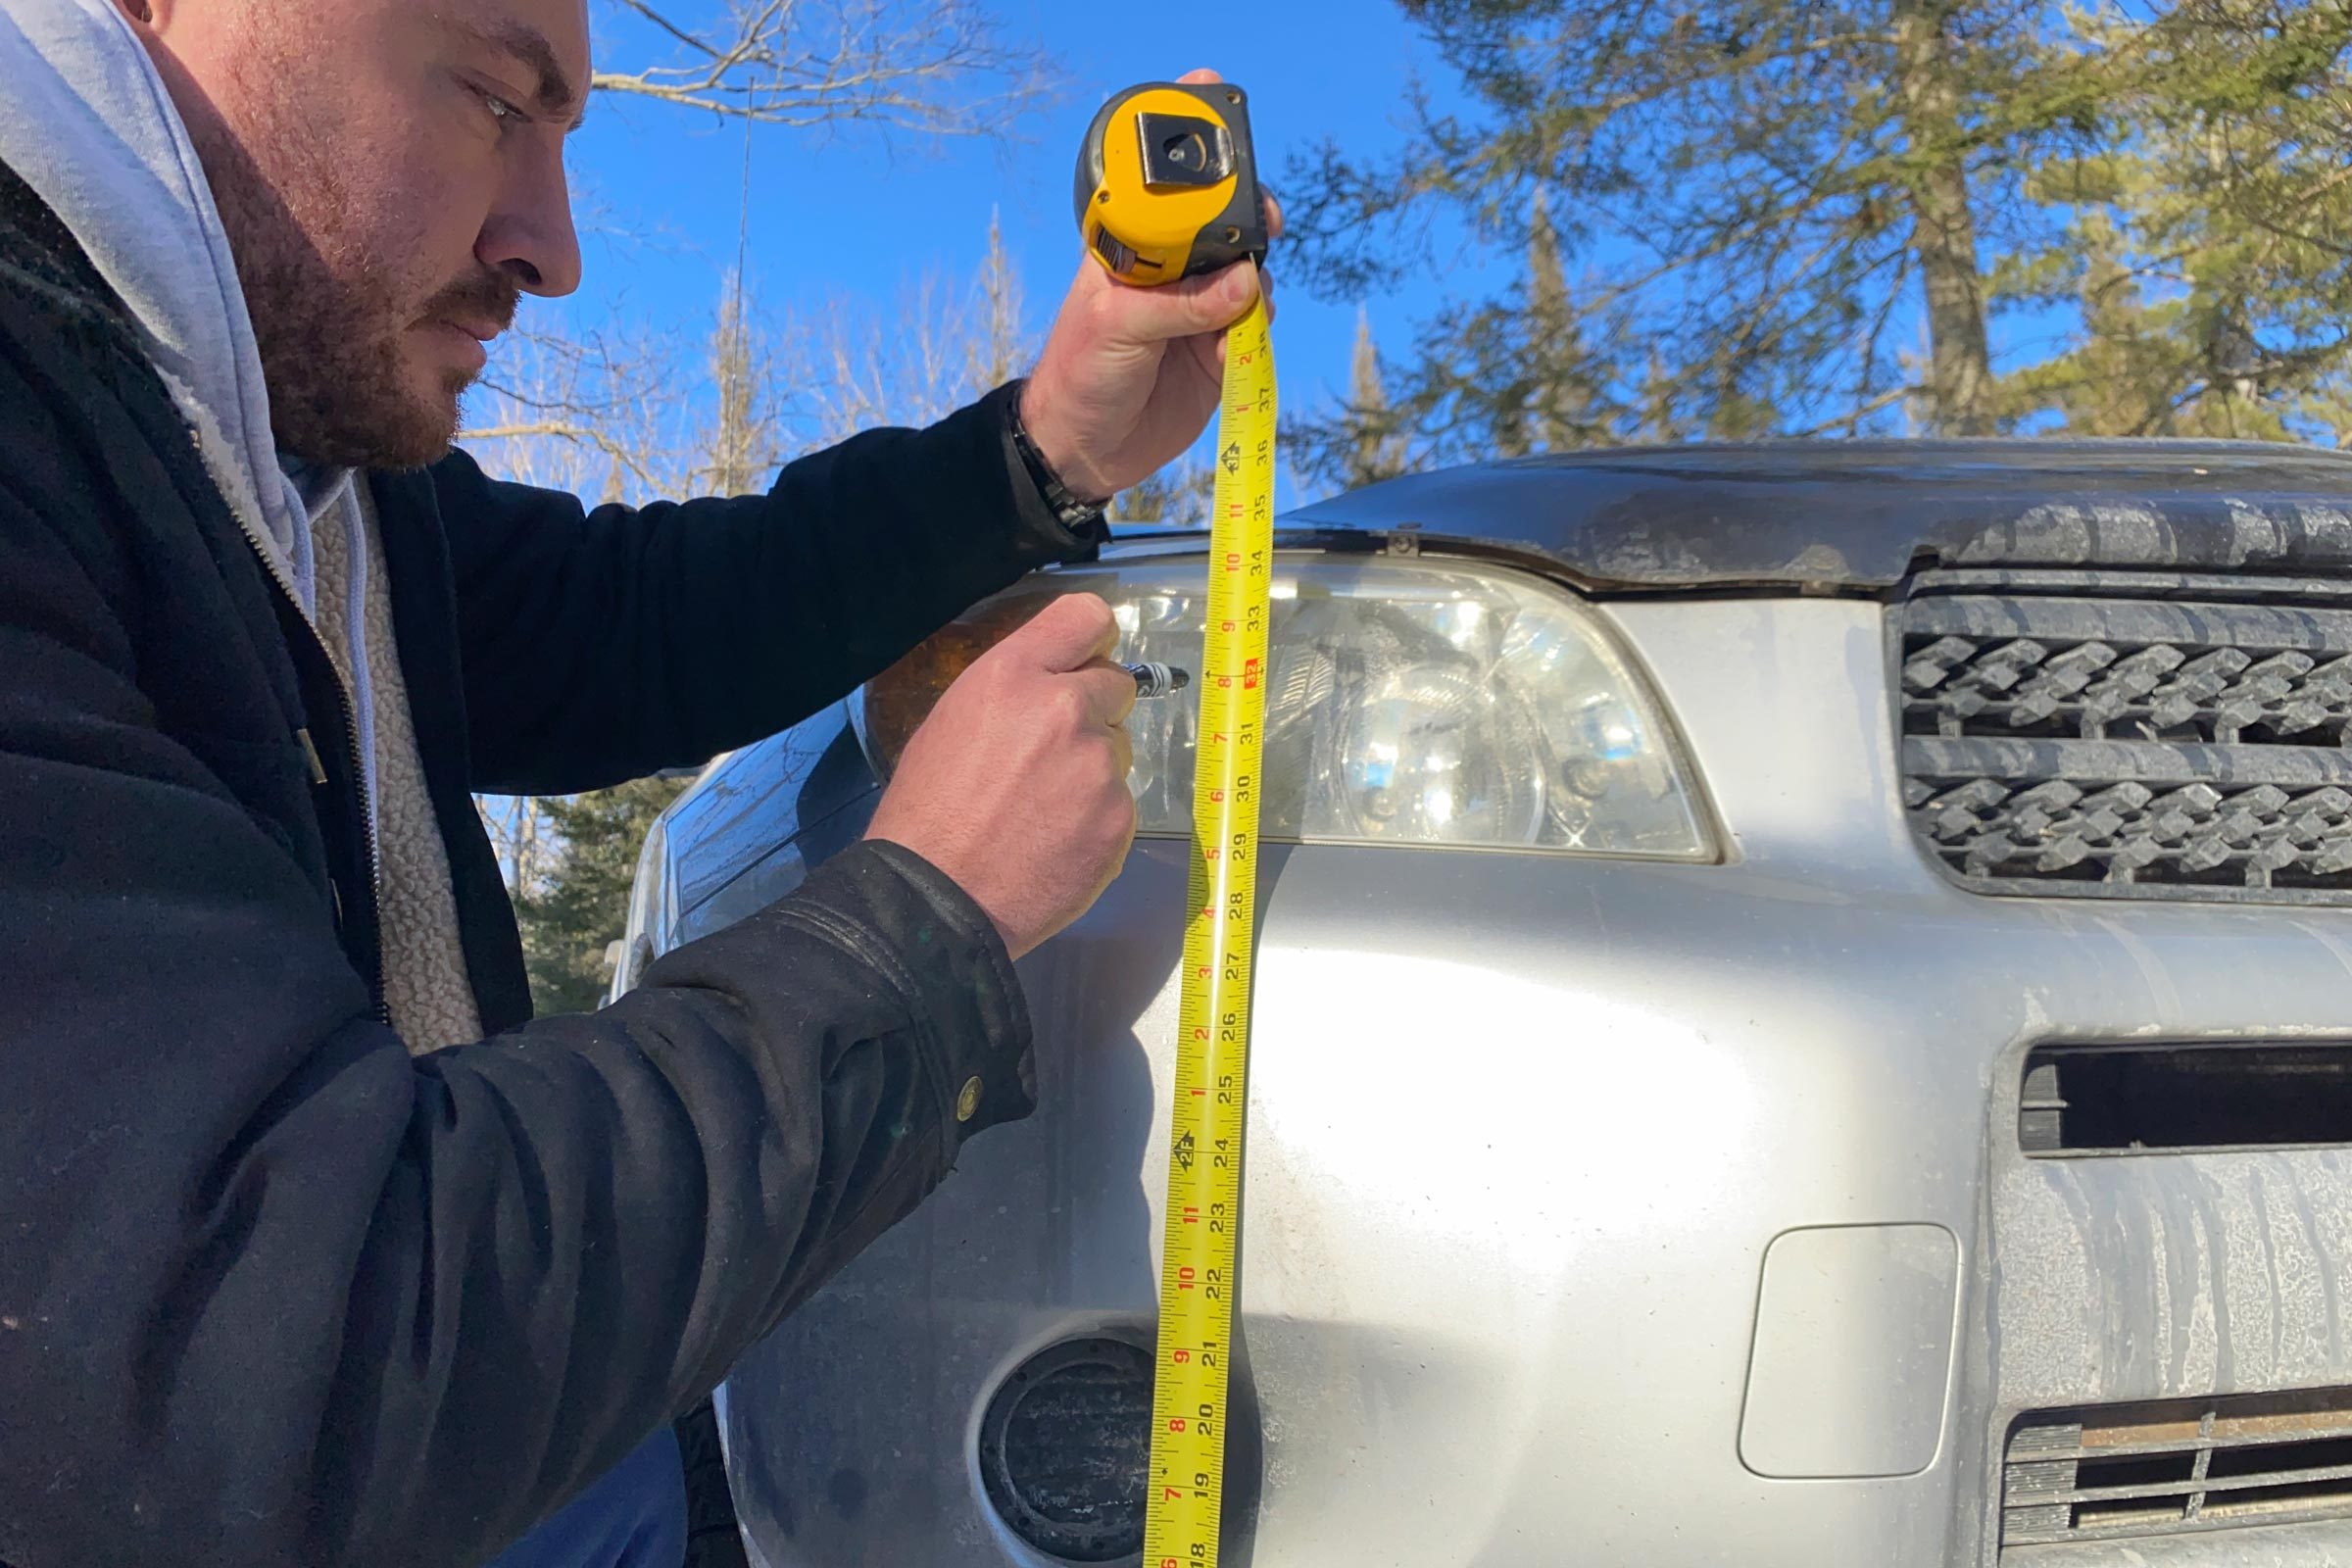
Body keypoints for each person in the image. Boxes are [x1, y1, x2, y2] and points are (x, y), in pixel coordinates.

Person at [0, 0, 1273, 1561]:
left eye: (564, 134)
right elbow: (258, 1354)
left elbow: (627, 623)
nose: (551, 245)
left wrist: (1038, 451)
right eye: (489, 93)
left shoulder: (290, 470)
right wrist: (922, 923)